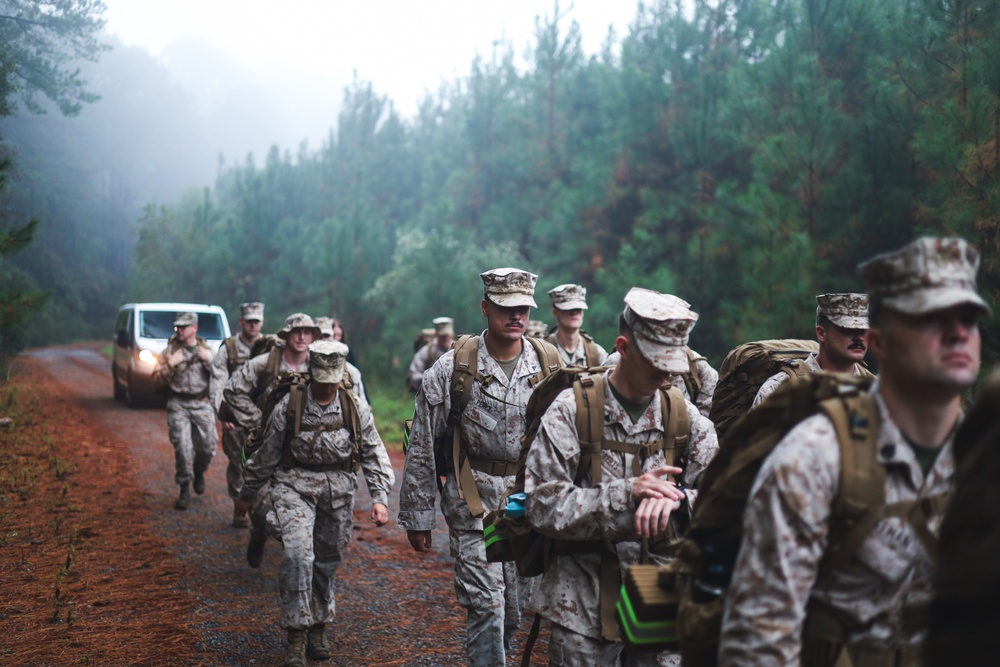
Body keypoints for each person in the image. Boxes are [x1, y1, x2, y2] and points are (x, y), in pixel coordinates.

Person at [719, 237, 987, 666]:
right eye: (848, 330)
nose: (858, 338)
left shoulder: (950, 435)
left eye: (968, 322)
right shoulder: (792, 406)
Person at [525, 288, 719, 666]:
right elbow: (541, 503)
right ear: (623, 347)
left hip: (664, 599)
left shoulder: (685, 418)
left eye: (673, 361)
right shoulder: (571, 410)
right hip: (584, 602)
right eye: (655, 360)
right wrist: (627, 495)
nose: (666, 372)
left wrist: (678, 501)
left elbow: (728, 503)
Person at [398, 267, 561, 667]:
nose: (516, 316)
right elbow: (421, 445)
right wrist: (418, 516)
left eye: (523, 308)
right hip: (474, 506)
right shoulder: (451, 369)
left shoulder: (550, 366)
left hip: (526, 508)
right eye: (506, 308)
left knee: (513, 610)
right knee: (487, 607)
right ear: (485, 307)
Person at [235, 340, 394, 667]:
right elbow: (267, 456)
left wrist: (380, 498)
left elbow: (374, 453)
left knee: (326, 559)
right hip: (294, 485)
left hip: (337, 492)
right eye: (321, 379)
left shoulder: (354, 407)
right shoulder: (289, 406)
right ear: (312, 373)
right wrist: (247, 494)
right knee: (297, 555)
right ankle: (296, 632)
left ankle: (319, 624)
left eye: (333, 379)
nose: (327, 386)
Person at [224, 313, 322, 567]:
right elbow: (233, 390)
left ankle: (301, 556)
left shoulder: (320, 366)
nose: (301, 337)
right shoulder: (264, 363)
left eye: (307, 332)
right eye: (296, 332)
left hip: (303, 448)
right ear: (286, 335)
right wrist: (257, 420)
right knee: (260, 507)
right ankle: (257, 535)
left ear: (313, 336)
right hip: (264, 446)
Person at [752, 292, 870, 407]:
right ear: (822, 333)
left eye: (864, 331)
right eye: (848, 330)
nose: (859, 338)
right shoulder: (781, 389)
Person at [152, 312, 220, 510]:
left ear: (194, 328)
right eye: (177, 327)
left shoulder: (207, 350)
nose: (179, 330)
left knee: (208, 447)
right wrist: (170, 365)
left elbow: (222, 377)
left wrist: (210, 361)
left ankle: (199, 471)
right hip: (178, 404)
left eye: (184, 327)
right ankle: (184, 487)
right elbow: (156, 382)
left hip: (202, 402)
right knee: (183, 447)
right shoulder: (169, 352)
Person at [213, 301, 265, 527]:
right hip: (235, 416)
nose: (253, 326)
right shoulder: (229, 348)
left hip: (262, 417)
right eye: (249, 321)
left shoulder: (270, 347)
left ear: (262, 322)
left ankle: (262, 509)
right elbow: (218, 382)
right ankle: (238, 503)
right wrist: (224, 413)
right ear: (241, 321)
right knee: (237, 462)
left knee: (263, 464)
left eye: (257, 321)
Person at [545, 283, 608, 367]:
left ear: (583, 313)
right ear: (555, 312)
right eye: (568, 308)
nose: (574, 313)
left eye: (578, 309)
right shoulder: (543, 351)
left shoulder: (596, 353)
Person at [316, 316, 370, 406]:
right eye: (334, 335)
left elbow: (357, 379)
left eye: (338, 335)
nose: (334, 339)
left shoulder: (348, 358)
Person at [406, 316, 454, 393]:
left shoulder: (458, 350)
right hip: (430, 397)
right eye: (442, 336)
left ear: (452, 335)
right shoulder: (426, 352)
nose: (445, 339)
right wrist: (433, 380)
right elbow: (414, 375)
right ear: (436, 335)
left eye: (447, 336)